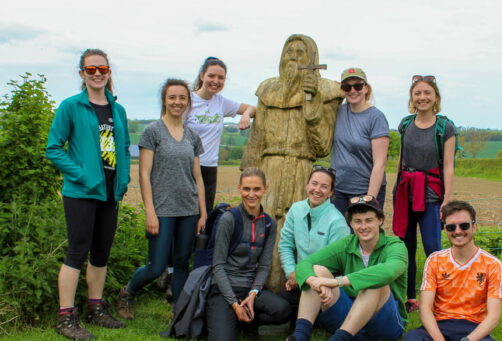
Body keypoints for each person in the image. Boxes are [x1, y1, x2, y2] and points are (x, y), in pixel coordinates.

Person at [240, 34, 344, 290]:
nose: (294, 57)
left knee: (297, 231)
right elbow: (257, 136)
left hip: (301, 171)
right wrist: (249, 173)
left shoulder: (326, 92)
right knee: (261, 228)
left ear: (312, 59)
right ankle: (258, 290)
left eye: (301, 52)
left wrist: (312, 103)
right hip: (269, 171)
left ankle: (294, 292)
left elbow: (322, 145)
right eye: (290, 51)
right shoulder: (268, 90)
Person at [45, 49, 130, 341]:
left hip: (110, 192)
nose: (97, 73)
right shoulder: (71, 107)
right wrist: (80, 173)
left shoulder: (117, 110)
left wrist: (124, 180)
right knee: (77, 252)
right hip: (81, 192)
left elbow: (125, 146)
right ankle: (66, 317)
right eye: (90, 69)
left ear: (109, 72)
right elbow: (53, 148)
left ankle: (96, 308)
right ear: (82, 73)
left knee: (102, 252)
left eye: (102, 68)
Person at [272, 196, 408, 341]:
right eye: (357, 221)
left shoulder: (395, 245)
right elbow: (305, 265)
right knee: (317, 270)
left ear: (380, 220)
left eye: (369, 220)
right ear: (351, 224)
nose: (363, 226)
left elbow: (390, 270)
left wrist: (337, 281)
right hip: (349, 318)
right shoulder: (346, 244)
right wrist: (315, 281)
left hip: (384, 325)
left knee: (375, 282)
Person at [388, 201, 502, 341]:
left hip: (473, 329)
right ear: (445, 230)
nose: (458, 231)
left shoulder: (492, 264)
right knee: (414, 338)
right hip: (439, 325)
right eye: (451, 227)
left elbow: (493, 316)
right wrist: (439, 340)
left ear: (474, 227)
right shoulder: (435, 260)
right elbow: (425, 308)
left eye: (464, 225)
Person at [117, 79, 207, 319]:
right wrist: (150, 211)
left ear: (188, 102)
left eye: (182, 98)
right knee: (156, 267)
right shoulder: (152, 132)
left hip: (189, 209)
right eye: (172, 97)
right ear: (164, 101)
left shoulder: (192, 136)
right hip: (162, 210)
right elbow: (144, 174)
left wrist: (203, 213)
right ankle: (128, 291)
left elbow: (197, 177)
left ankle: (179, 310)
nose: (177, 102)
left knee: (181, 264)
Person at [206, 168, 292, 341]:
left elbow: (264, 265)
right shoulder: (229, 219)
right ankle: (225, 317)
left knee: (283, 310)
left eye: (256, 189)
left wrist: (253, 293)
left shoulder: (269, 223)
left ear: (265, 189)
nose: (251, 194)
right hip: (223, 288)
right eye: (246, 189)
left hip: (249, 288)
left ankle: (244, 320)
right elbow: (218, 265)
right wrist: (234, 304)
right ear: (239, 189)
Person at [393, 75, 457, 313]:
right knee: (405, 248)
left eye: (427, 93)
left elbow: (448, 165)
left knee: (433, 248)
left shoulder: (445, 128)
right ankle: (409, 298)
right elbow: (401, 159)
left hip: (431, 194)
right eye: (417, 93)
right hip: (405, 192)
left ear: (435, 98)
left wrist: (447, 200)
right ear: (412, 98)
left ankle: (438, 299)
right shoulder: (405, 124)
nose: (422, 97)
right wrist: (396, 190)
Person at [277, 165, 350, 312]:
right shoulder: (295, 209)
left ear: (331, 192)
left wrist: (304, 276)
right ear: (307, 185)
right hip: (298, 278)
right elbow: (285, 245)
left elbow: (336, 264)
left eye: (324, 186)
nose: (317, 190)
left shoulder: (337, 222)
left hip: (324, 282)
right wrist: (292, 273)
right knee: (278, 308)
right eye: (314, 183)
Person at [188, 56, 256, 213]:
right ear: (202, 76)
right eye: (211, 76)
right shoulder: (188, 100)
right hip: (187, 166)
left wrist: (245, 115)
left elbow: (254, 108)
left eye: (221, 77)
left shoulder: (221, 102)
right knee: (184, 216)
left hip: (210, 168)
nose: (215, 81)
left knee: (203, 219)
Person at [330, 67, 390, 215]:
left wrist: (370, 199)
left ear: (366, 88)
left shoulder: (376, 117)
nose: (352, 91)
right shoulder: (338, 111)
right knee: (338, 237)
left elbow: (380, 163)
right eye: (346, 87)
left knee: (362, 235)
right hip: (338, 190)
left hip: (363, 191)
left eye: (357, 86)